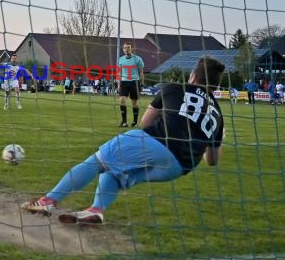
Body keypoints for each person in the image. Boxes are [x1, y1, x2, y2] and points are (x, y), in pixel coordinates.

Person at [21, 56, 225, 225]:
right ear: (216, 86)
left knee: (97, 161)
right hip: (180, 167)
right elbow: (212, 160)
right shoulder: (218, 115)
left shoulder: (175, 88)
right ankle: (96, 210)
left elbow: (145, 122)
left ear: (192, 76)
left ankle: (48, 201)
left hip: (159, 142)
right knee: (117, 172)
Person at [117, 42, 145, 128]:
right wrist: (119, 83)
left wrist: (142, 83)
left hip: (134, 82)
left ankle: (135, 122)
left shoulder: (137, 59)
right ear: (123, 49)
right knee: (122, 101)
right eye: (125, 48)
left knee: (135, 103)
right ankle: (124, 122)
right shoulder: (120, 59)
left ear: (131, 49)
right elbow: (119, 72)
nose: (127, 49)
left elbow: (141, 72)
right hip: (124, 82)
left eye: (128, 48)